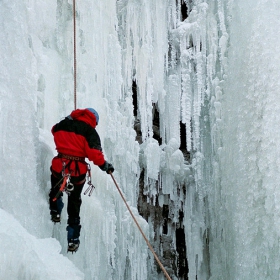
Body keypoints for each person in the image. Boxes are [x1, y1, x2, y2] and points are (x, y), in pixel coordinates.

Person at [49, 108, 114, 252]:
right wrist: (105, 166)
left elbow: (54, 131)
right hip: (77, 171)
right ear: (94, 120)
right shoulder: (90, 132)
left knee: (55, 187)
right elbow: (95, 154)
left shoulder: (63, 124)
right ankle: (73, 239)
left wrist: (68, 119)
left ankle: (55, 211)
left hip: (59, 166)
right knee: (74, 202)